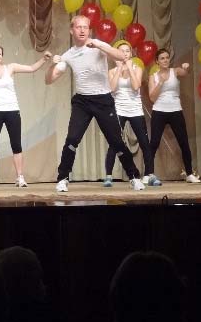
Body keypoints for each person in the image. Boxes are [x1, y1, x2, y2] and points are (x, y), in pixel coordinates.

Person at [45, 15, 143, 192]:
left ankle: (134, 176)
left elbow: (121, 56)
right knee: (72, 139)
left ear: (89, 30)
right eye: (78, 27)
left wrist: (98, 45)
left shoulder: (99, 45)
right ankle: (62, 178)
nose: (82, 30)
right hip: (82, 102)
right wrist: (52, 65)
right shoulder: (68, 55)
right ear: (72, 30)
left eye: (85, 27)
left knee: (116, 141)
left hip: (103, 100)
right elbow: (49, 79)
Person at [0, 45, 52, 188]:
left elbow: (31, 68)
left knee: (16, 144)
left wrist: (43, 59)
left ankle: (20, 177)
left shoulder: (10, 68)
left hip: (12, 110)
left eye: (0, 53)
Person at [103, 40, 154, 188]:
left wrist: (130, 67)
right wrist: (119, 68)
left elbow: (136, 86)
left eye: (127, 51)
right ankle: (108, 176)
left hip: (135, 110)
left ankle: (149, 174)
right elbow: (112, 88)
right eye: (121, 51)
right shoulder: (112, 71)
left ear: (131, 53)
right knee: (114, 142)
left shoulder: (137, 68)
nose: (124, 53)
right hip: (118, 109)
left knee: (144, 143)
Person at [147, 49, 200, 185]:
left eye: (167, 57)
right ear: (157, 61)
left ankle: (189, 174)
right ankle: (148, 174)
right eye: (162, 58)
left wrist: (186, 67)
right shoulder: (153, 76)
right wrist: (160, 82)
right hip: (159, 110)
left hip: (175, 110)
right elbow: (152, 98)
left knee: (183, 143)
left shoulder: (174, 71)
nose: (165, 60)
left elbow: (185, 72)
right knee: (154, 143)